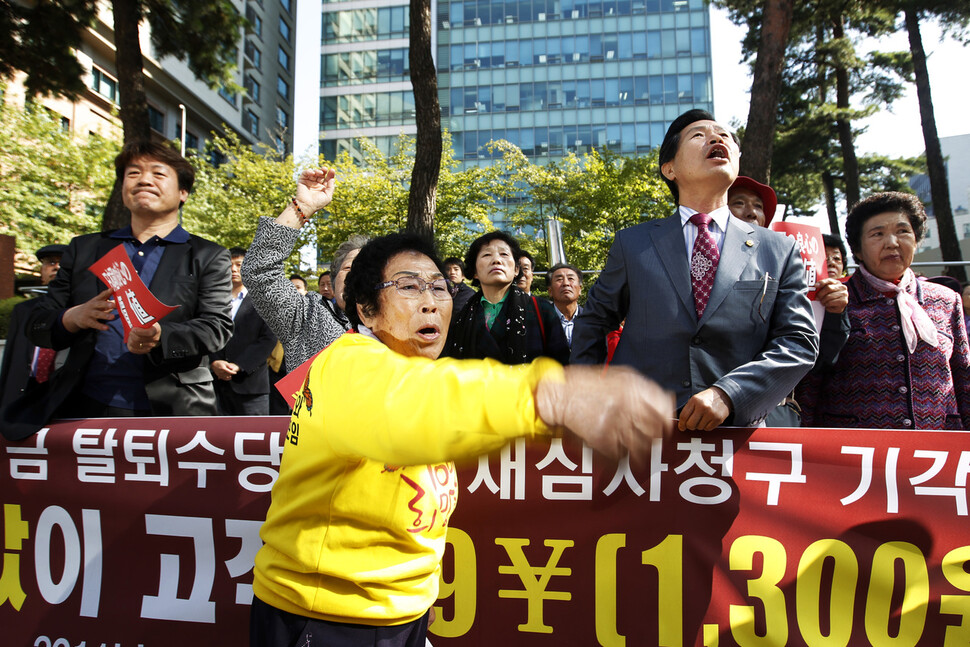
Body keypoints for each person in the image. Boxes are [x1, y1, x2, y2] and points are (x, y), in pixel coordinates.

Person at [250, 232, 675, 647]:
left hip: (397, 613)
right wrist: (552, 397)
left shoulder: (416, 369)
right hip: (323, 617)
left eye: (439, 286)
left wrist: (420, 594)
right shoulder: (347, 363)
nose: (431, 301)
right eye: (409, 286)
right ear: (367, 310)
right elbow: (419, 409)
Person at [572, 109, 818, 431]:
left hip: (738, 437)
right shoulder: (633, 243)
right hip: (638, 432)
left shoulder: (779, 249)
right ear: (669, 168)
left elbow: (798, 342)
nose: (716, 138)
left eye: (725, 135)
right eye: (698, 135)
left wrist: (730, 394)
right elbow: (593, 321)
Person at [1, 141, 233, 440]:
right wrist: (72, 317)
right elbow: (37, 324)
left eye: (158, 174)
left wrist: (160, 336)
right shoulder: (85, 249)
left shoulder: (207, 255)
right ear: (123, 189)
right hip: (82, 406)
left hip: (174, 410)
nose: (144, 180)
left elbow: (217, 327)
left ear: (183, 192)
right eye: (133, 173)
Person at [798, 192, 970, 429]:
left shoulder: (946, 300)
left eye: (902, 231)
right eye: (877, 234)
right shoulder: (832, 299)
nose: (892, 242)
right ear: (857, 250)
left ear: (917, 239)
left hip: (937, 450)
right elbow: (810, 381)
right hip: (856, 452)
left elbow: (963, 375)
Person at [727, 177, 850, 425]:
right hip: (708, 412)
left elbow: (821, 356)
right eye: (738, 203)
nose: (751, 212)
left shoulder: (788, 272)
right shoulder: (696, 267)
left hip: (776, 415)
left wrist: (836, 314)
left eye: (758, 207)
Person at [241, 168, 370, 371]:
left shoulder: (405, 326)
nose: (358, 277)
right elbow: (260, 271)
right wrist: (302, 207)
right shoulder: (307, 316)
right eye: (349, 268)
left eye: (369, 270)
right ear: (334, 281)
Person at [445, 231, 569, 365]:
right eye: (487, 255)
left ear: (516, 269)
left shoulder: (542, 310)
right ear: (474, 272)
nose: (496, 260)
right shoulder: (461, 316)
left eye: (504, 254)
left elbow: (561, 366)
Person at [210, 248, 278, 415]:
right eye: (229, 265)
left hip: (251, 386)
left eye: (239, 265)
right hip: (216, 384)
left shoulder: (264, 300)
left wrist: (239, 365)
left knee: (254, 437)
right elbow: (205, 332)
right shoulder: (212, 298)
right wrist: (214, 362)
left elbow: (268, 339)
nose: (233, 269)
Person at [0, 244, 67, 411]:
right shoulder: (23, 310)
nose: (56, 267)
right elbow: (10, 357)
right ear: (42, 271)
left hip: (62, 395)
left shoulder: (83, 309)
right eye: (51, 263)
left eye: (63, 262)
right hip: (22, 393)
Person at [548, 262, 584, 347]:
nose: (566, 283)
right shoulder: (539, 321)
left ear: (580, 289)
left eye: (571, 278)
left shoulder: (592, 320)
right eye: (559, 279)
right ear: (550, 291)